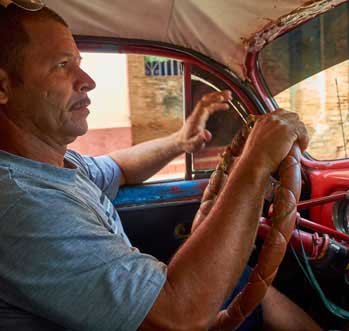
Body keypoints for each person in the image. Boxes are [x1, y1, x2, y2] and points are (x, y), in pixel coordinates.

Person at [0, 3, 321, 330]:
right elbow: (179, 317)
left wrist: (179, 141)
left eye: (79, 63)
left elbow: (119, 167)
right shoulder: (23, 204)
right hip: (169, 316)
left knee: (242, 283)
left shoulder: (56, 166)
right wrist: (254, 164)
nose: (87, 81)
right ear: (3, 87)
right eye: (61, 65)